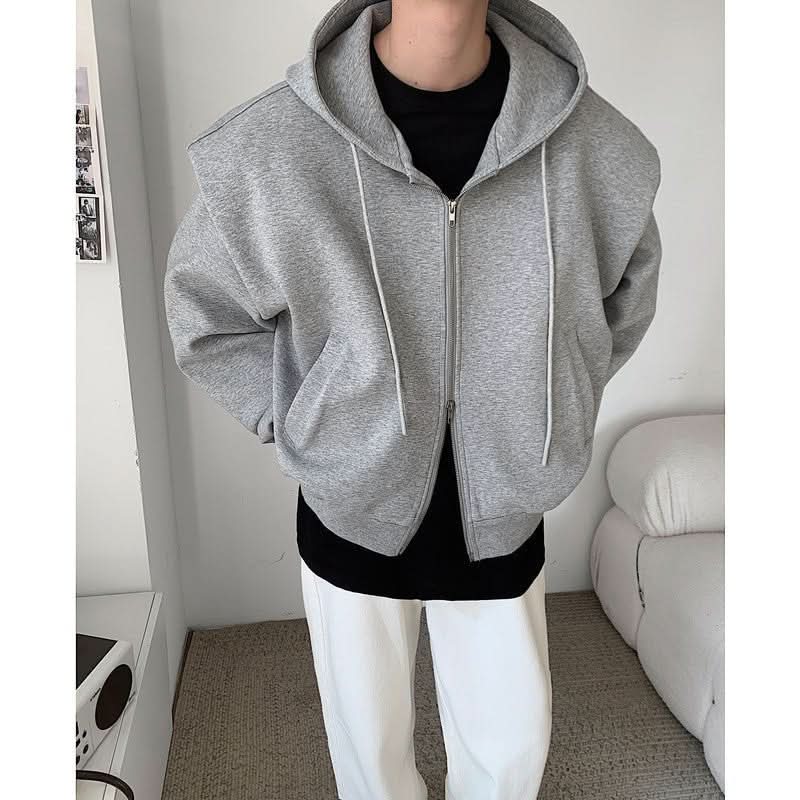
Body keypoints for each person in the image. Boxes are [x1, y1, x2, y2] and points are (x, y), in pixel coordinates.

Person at [164, 1, 663, 798]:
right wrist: (304, 421)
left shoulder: (598, 148)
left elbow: (618, 311)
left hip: (507, 502)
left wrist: (544, 410)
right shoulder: (273, 145)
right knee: (368, 754)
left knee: (508, 750)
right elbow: (206, 317)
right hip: (351, 499)